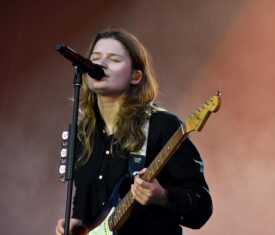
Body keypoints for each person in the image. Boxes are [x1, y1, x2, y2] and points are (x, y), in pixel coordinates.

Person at [55, 27, 212, 235]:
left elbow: (202, 209)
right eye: (95, 57)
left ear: (136, 76)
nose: (100, 64)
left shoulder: (162, 127)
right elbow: (83, 203)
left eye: (114, 59)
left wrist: (163, 197)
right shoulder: (83, 133)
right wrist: (77, 225)